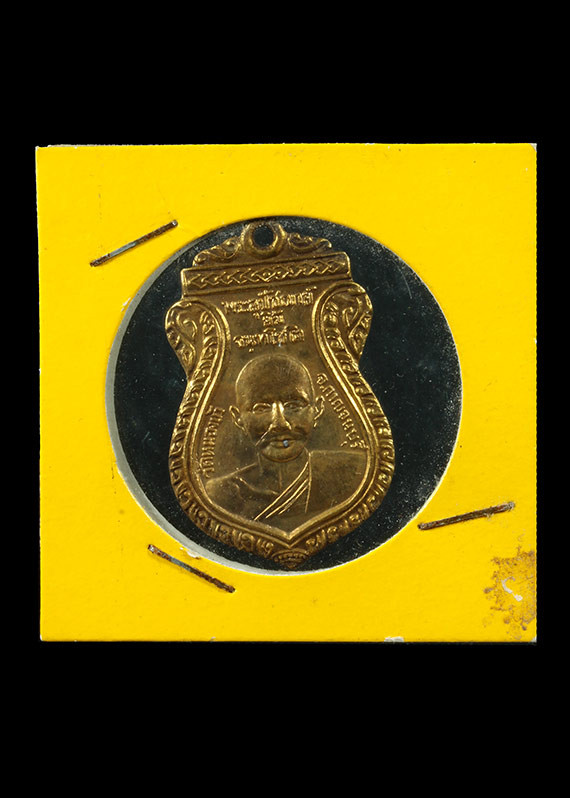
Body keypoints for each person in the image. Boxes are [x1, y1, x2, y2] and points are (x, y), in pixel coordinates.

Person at [204, 354, 367, 533]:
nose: (280, 423)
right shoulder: (221, 493)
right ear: (238, 418)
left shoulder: (354, 472)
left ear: (317, 409)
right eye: (261, 408)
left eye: (294, 405)